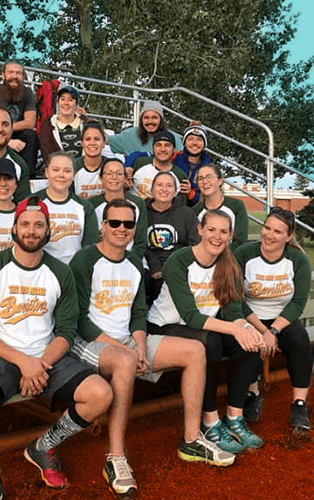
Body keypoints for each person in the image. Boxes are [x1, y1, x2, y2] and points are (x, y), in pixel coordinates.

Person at [69, 199, 235, 496]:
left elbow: (137, 313)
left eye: (128, 224)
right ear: (103, 226)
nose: (121, 229)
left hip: (128, 341)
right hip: (90, 342)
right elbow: (80, 320)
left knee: (195, 350)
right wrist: (128, 352)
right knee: (125, 362)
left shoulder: (134, 261)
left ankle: (191, 439)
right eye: (115, 223)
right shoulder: (84, 260)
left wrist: (140, 347)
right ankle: (116, 457)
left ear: (135, 228)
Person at [0, 196, 113, 499]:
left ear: (48, 230)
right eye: (25, 224)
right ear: (14, 228)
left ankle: (44, 446)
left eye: (39, 225)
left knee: (101, 394)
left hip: (47, 356)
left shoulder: (60, 272)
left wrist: (39, 363)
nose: (31, 230)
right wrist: (24, 363)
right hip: (0, 356)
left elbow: (66, 331)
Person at [147, 209, 266, 454]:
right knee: (211, 343)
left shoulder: (228, 264)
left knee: (248, 343)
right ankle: (210, 421)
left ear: (231, 235)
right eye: (211, 229)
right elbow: (190, 315)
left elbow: (233, 311)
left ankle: (234, 417)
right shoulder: (179, 261)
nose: (217, 236)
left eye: (223, 231)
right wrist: (237, 329)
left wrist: (247, 329)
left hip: (204, 327)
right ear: (200, 230)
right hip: (165, 326)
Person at [234, 207, 313, 432]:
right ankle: (252, 393)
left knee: (299, 339)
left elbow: (298, 302)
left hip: (282, 319)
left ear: (288, 237)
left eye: (277, 231)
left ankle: (299, 404)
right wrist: (262, 331)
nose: (269, 235)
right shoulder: (244, 253)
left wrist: (274, 330)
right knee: (249, 341)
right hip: (250, 317)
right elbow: (237, 299)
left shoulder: (297, 259)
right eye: (267, 228)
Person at [34, 152, 99, 264]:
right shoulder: (32, 204)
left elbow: (89, 247)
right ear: (46, 172)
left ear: (74, 175)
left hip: (75, 268)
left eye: (67, 171)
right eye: (55, 170)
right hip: (42, 267)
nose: (61, 175)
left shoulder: (85, 206)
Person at [145, 171, 199, 303]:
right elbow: (138, 243)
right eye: (159, 185)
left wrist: (174, 266)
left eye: (169, 185)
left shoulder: (187, 214)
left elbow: (195, 244)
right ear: (152, 189)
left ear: (176, 191)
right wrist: (155, 265)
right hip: (149, 264)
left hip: (177, 265)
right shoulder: (141, 211)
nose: (164, 189)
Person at [89, 158, 147, 259]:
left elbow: (140, 242)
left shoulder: (138, 203)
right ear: (101, 178)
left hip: (131, 259)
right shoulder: (91, 205)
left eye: (119, 173)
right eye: (109, 173)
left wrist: (128, 261)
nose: (114, 177)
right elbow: (90, 241)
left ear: (125, 178)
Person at [193, 164, 248, 250]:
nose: (204, 181)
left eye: (209, 177)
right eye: (200, 178)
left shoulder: (236, 206)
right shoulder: (195, 211)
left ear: (220, 181)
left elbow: (240, 241)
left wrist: (219, 253)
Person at [108, 100, 183, 156]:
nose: (150, 121)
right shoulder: (129, 135)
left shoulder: (173, 138)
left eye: (154, 117)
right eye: (146, 118)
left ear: (161, 120)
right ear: (141, 120)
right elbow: (106, 139)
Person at [130, 130, 189, 201]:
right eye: (158, 145)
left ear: (174, 149)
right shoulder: (140, 163)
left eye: (167, 145)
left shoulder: (180, 175)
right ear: (153, 148)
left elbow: (180, 203)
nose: (163, 149)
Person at [38, 84, 86, 165]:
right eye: (63, 99)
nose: (66, 103)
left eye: (70, 100)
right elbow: (47, 154)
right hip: (59, 169)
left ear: (76, 105)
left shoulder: (85, 123)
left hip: (83, 169)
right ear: (57, 102)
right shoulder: (48, 125)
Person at [173, 122, 212, 206]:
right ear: (184, 143)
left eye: (199, 139)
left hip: (195, 211)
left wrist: (191, 194)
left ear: (204, 144)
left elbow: (210, 198)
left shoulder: (210, 169)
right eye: (190, 139)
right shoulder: (174, 159)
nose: (194, 143)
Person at [73, 121, 109, 199]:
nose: (92, 143)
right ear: (82, 143)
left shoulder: (112, 166)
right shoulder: (72, 167)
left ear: (104, 142)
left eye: (97, 139)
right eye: (88, 139)